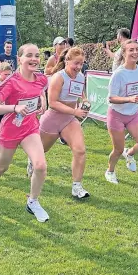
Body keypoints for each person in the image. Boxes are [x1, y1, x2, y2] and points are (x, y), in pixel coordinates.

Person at [0, 43, 49, 222]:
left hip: (30, 128)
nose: (34, 59)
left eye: (37, 56)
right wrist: (14, 107)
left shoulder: (42, 79)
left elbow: (39, 91)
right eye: (29, 55)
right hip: (10, 130)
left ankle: (33, 202)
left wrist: (42, 100)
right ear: (19, 59)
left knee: (40, 166)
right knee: (2, 166)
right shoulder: (11, 82)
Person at [38, 47, 91, 198]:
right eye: (76, 63)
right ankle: (31, 161)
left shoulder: (80, 76)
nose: (79, 67)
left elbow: (80, 92)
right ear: (67, 61)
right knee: (41, 151)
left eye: (81, 63)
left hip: (69, 120)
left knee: (80, 150)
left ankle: (77, 186)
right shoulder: (58, 77)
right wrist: (75, 111)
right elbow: (53, 102)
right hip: (52, 119)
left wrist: (85, 101)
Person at [105, 40, 138, 184]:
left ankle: (130, 153)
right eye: (130, 50)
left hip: (133, 115)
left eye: (137, 49)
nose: (135, 52)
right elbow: (111, 98)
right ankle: (110, 171)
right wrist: (129, 99)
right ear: (124, 53)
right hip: (116, 116)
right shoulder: (118, 74)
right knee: (117, 150)